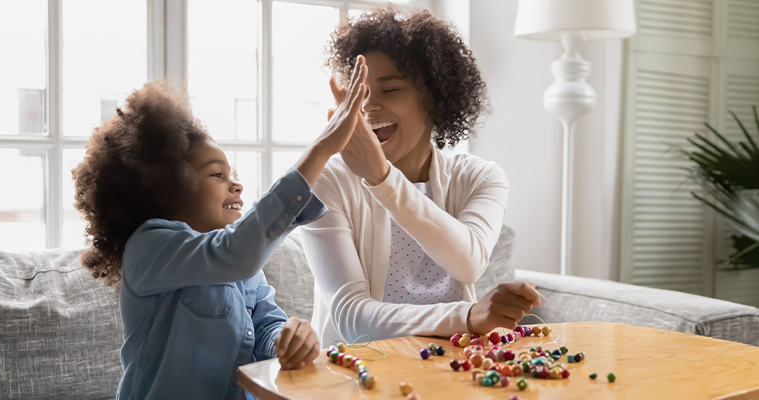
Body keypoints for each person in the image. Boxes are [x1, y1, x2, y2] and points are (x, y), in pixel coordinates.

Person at [72, 57, 367, 399]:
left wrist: (290, 339)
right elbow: (235, 253)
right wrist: (323, 148)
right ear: (167, 188)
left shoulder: (244, 268)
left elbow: (265, 326)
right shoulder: (149, 247)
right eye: (217, 175)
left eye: (234, 176)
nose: (236, 186)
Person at [301, 6, 540, 346]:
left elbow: (469, 263)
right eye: (361, 94)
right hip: (356, 376)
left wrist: (383, 180)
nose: (368, 108)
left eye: (389, 90)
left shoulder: (480, 178)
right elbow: (353, 321)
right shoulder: (327, 182)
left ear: (432, 98)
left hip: (453, 368)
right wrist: (467, 317)